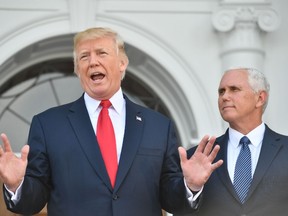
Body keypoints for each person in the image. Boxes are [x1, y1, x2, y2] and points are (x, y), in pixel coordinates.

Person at [0, 27, 223, 216]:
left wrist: (191, 186)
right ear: (78, 70)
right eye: (84, 57)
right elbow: (32, 202)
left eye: (102, 53)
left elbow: (171, 199)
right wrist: (15, 185)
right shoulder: (48, 125)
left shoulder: (158, 126)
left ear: (122, 64)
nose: (93, 61)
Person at [176, 67, 288, 216]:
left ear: (260, 98)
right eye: (221, 91)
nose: (224, 97)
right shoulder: (198, 157)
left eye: (234, 89)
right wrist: (192, 189)